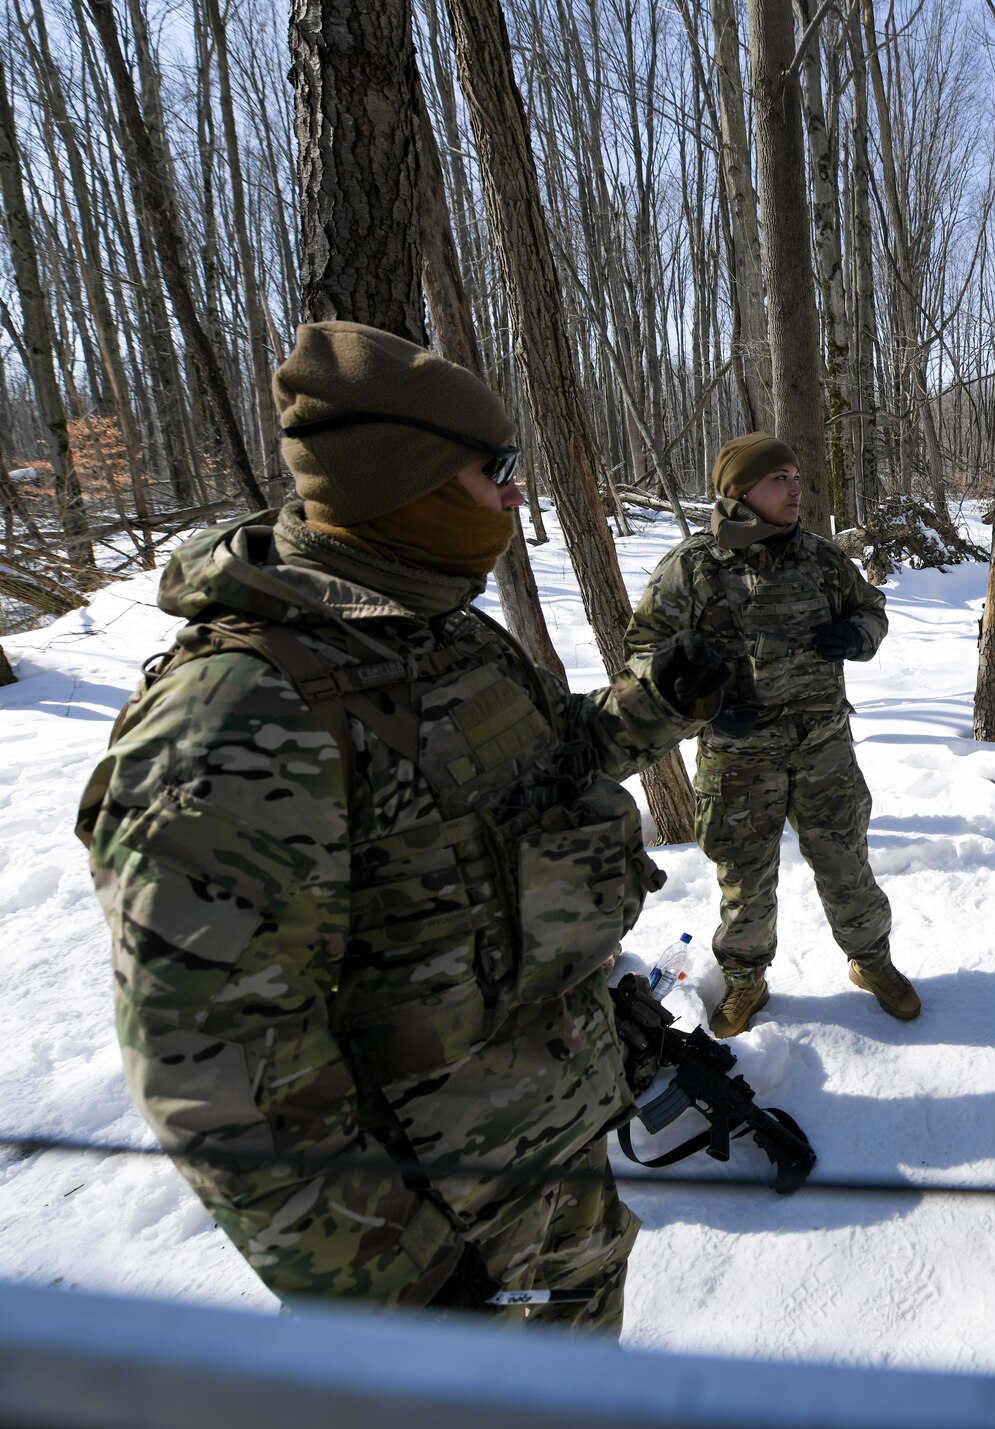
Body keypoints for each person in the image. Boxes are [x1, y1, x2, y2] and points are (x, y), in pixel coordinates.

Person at [76, 322, 729, 1328]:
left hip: (545, 1175)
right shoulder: (242, 714)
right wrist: (396, 1283)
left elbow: (545, 768)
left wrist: (657, 703)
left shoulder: (439, 625)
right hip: (439, 1253)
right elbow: (212, 1057)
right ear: (404, 482)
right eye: (496, 467)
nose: (518, 492)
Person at [623, 432, 916, 1039]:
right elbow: (646, 652)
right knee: (744, 879)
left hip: (823, 748)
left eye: (796, 476)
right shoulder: (693, 566)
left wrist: (856, 636)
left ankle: (873, 962)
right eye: (778, 478)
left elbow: (872, 609)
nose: (795, 488)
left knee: (846, 865)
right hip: (737, 758)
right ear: (741, 491)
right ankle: (745, 979)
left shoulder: (820, 557)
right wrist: (703, 709)